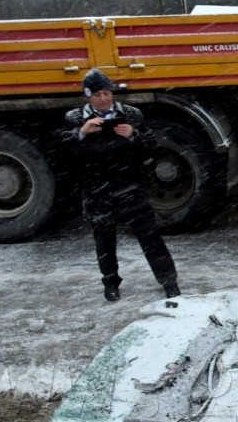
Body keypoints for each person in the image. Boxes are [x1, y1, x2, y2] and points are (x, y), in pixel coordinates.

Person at [63, 69, 180, 302]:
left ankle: (169, 281)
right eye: (97, 94)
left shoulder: (131, 115)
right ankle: (111, 284)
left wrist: (134, 135)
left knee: (150, 238)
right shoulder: (75, 118)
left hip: (131, 187)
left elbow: (150, 146)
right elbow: (63, 153)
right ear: (88, 96)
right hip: (97, 190)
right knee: (104, 241)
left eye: (107, 93)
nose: (104, 99)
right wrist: (81, 133)